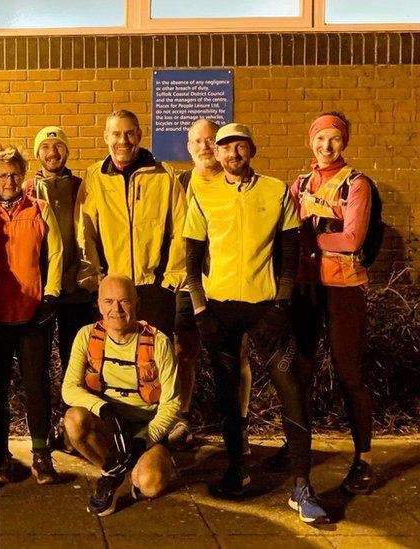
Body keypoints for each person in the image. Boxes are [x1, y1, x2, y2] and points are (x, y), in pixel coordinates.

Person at [183, 123, 327, 524]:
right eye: (225, 147)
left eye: (240, 147)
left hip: (266, 307)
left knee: (292, 386)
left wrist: (280, 306)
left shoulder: (275, 190)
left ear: (251, 150)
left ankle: (302, 485)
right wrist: (199, 310)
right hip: (220, 309)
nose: (232, 154)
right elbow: (192, 260)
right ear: (218, 152)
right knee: (229, 393)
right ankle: (236, 469)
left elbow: (289, 253)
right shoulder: (203, 192)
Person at [290, 112, 376, 494]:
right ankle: (294, 448)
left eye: (334, 139)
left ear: (345, 143)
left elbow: (353, 239)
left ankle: (364, 459)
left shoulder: (356, 184)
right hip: (307, 288)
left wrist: (313, 236)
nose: (327, 146)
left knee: (348, 373)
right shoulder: (301, 183)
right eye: (321, 139)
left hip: (344, 288)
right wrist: (324, 228)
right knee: (300, 371)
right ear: (311, 141)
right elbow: (291, 232)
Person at [0, 144, 63, 485]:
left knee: (36, 386)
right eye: (2, 175)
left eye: (14, 174)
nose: (9, 180)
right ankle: (1, 454)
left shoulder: (40, 209)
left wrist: (51, 295)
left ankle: (41, 454)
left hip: (32, 315)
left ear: (23, 175)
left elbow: (56, 252)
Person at [168, 119, 254, 451]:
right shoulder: (180, 183)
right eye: (197, 141)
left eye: (210, 141)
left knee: (237, 355)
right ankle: (183, 418)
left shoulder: (237, 181)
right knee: (184, 351)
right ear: (189, 147)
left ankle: (239, 423)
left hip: (229, 283)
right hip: (188, 284)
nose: (204, 147)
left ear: (219, 147)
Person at [61, 274, 179, 516]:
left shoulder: (159, 342)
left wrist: (142, 440)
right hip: (109, 425)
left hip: (145, 427)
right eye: (108, 301)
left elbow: (172, 404)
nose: (116, 309)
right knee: (73, 420)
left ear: (136, 303)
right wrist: (105, 409)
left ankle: (147, 463)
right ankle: (114, 472)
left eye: (124, 302)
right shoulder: (86, 335)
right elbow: (69, 388)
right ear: (99, 304)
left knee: (150, 485)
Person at [77, 110, 186, 338]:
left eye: (129, 133)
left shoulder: (165, 175)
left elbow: (181, 229)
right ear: (106, 136)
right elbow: (84, 231)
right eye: (116, 134)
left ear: (139, 134)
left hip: (155, 289)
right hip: (111, 287)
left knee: (154, 363)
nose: (123, 141)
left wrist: (171, 280)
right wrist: (95, 277)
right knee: (115, 363)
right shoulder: (94, 177)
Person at [25, 127, 94, 452]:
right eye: (46, 147)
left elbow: (87, 235)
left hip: (76, 292)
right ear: (38, 153)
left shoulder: (82, 187)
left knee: (74, 362)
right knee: (39, 365)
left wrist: (81, 277)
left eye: (58, 147)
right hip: (41, 291)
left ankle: (71, 427)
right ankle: (45, 426)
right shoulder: (27, 189)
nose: (52, 153)